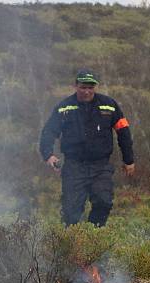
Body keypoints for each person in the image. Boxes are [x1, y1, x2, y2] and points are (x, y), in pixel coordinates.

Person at [39, 68, 135, 227]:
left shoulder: (109, 105)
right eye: (83, 87)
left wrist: (129, 160)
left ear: (95, 87)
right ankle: (71, 243)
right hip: (74, 166)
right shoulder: (64, 107)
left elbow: (124, 132)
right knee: (71, 211)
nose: (87, 91)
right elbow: (49, 131)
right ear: (76, 86)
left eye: (90, 88)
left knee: (104, 202)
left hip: (101, 166)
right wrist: (48, 155)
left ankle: (93, 238)